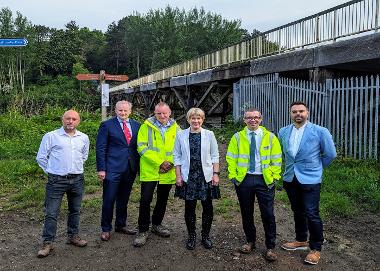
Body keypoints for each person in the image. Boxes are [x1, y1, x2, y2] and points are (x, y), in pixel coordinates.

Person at [279, 101, 337, 265]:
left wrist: (317, 168)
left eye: (301, 111)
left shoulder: (320, 131)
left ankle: (316, 248)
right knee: (297, 210)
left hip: (311, 178)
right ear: (290, 113)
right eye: (294, 111)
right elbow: (285, 154)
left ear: (307, 113)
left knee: (312, 213)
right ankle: (301, 240)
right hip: (290, 177)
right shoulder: (283, 131)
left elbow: (330, 154)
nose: (298, 114)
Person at [226, 108, 282, 262]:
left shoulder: (270, 137)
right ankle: (250, 241)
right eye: (249, 118)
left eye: (256, 117)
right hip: (244, 180)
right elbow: (231, 157)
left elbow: (277, 159)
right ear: (244, 120)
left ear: (261, 119)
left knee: (268, 214)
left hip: (264, 180)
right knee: (246, 212)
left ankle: (270, 246)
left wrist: (274, 176)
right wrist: (234, 177)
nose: (253, 120)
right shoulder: (237, 137)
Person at [36, 110, 89, 258]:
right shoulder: (51, 136)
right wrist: (52, 171)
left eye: (74, 119)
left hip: (77, 179)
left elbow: (84, 156)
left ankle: (73, 236)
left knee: (75, 210)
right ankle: (48, 243)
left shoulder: (83, 138)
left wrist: (73, 168)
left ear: (78, 121)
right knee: (51, 213)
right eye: (68, 118)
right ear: (62, 120)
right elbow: (41, 157)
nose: (70, 121)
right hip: (56, 181)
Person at [133, 102, 181, 247]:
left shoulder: (176, 128)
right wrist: (160, 163)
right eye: (159, 113)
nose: (162, 116)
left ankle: (157, 224)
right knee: (145, 200)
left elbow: (180, 147)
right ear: (154, 113)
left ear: (170, 112)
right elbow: (141, 147)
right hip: (151, 170)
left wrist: (170, 162)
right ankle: (143, 230)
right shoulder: (145, 126)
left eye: (164, 113)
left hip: (168, 171)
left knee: (162, 200)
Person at [173, 108, 220, 250]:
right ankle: (191, 235)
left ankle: (205, 235)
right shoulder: (181, 135)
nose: (196, 121)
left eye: (199, 118)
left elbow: (215, 155)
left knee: (208, 207)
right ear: (188, 120)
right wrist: (178, 175)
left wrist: (215, 174)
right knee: (189, 208)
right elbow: (177, 156)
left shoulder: (209, 134)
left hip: (205, 176)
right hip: (189, 177)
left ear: (203, 119)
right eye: (193, 118)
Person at [96, 100, 141, 241]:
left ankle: (121, 225)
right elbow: (100, 148)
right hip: (112, 168)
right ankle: (106, 228)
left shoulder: (137, 126)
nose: (123, 113)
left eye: (125, 110)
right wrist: (101, 168)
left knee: (124, 199)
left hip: (130, 167)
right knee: (109, 199)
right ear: (115, 110)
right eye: (120, 110)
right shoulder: (106, 125)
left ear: (130, 111)